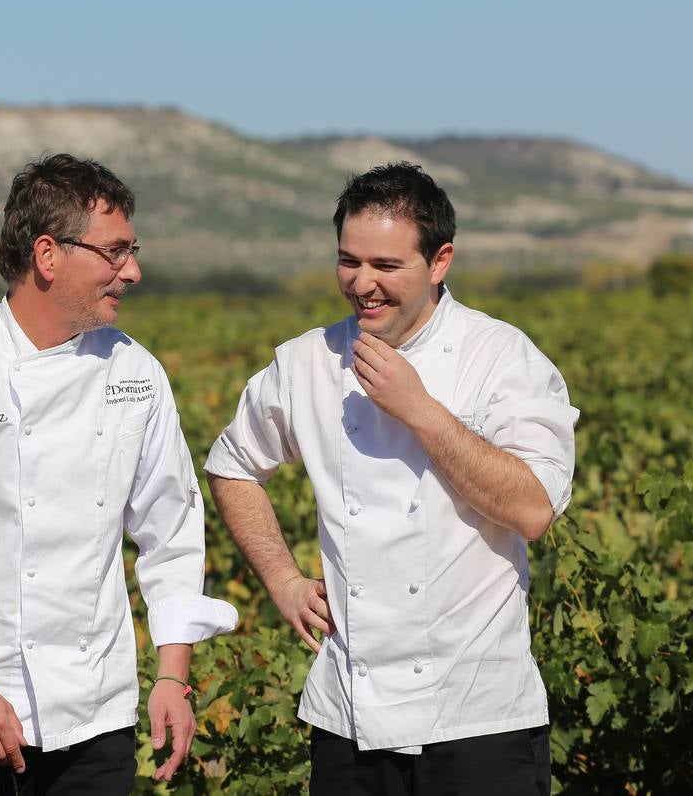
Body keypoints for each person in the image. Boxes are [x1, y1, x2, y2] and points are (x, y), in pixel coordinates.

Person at [0, 154, 237, 795]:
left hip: (95, 718)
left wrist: (172, 675)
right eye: (115, 253)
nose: (133, 272)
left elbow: (170, 533)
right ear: (48, 254)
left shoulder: (137, 375)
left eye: (131, 251)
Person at [205, 162, 577, 794]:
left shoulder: (500, 357)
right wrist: (284, 581)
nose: (363, 284)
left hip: (480, 717)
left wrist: (422, 412)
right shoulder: (306, 362)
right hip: (350, 718)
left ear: (440, 262)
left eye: (386, 266)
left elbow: (534, 509)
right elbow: (232, 465)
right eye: (349, 262)